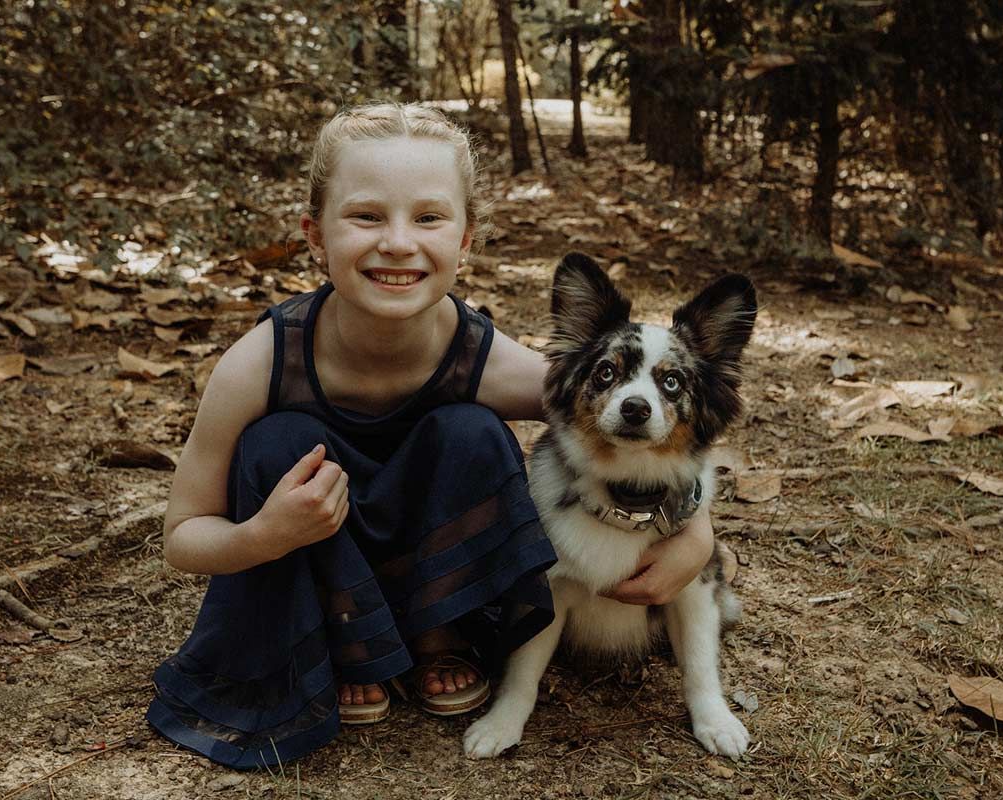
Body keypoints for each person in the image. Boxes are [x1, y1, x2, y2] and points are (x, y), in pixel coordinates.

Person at [146, 102, 720, 770]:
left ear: (465, 240)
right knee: (281, 442)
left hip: (436, 590)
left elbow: (639, 424)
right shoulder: (261, 363)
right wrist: (262, 534)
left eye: (427, 218)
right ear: (314, 235)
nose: (396, 241)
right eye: (365, 216)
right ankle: (344, 648)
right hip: (307, 572)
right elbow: (181, 537)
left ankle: (438, 639)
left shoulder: (488, 360)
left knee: (472, 432)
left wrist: (696, 532)